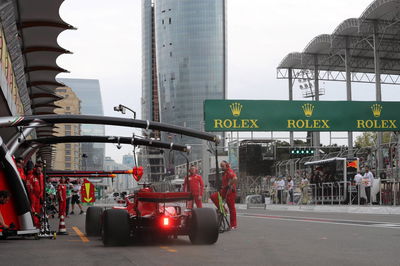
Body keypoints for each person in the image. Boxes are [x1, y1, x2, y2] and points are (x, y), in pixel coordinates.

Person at [210, 161, 238, 229]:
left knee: (231, 208)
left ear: (227, 165)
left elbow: (235, 178)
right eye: (221, 166)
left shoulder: (229, 171)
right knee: (213, 196)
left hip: (230, 191)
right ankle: (223, 209)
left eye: (222, 166)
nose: (221, 167)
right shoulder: (225, 173)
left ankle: (233, 225)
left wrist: (230, 184)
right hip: (224, 190)